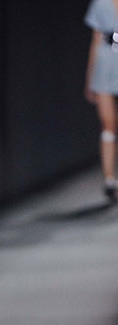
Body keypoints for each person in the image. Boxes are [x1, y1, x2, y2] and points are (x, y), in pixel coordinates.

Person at [84, 0, 118, 202]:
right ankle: (109, 179)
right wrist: (90, 79)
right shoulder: (100, 3)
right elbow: (96, 40)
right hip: (105, 63)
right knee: (108, 123)